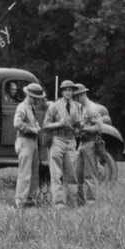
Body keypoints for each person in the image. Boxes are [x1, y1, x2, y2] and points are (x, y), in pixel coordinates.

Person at [43, 79, 80, 207]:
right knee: (56, 174)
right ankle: (58, 204)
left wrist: (77, 126)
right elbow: (46, 125)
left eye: (70, 90)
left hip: (71, 141)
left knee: (72, 174)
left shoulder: (77, 106)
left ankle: (72, 203)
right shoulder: (54, 106)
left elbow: (79, 126)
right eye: (66, 90)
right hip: (57, 140)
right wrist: (59, 123)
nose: (68, 93)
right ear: (62, 92)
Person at [13, 82, 47, 208]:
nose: (38, 101)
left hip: (32, 142)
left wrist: (36, 126)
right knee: (25, 172)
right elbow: (17, 123)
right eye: (37, 98)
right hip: (25, 141)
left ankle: (31, 199)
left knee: (34, 172)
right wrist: (32, 129)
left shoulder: (30, 108)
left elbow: (31, 122)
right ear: (31, 96)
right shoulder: (22, 107)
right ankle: (20, 201)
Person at [72, 84, 104, 206]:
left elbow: (99, 127)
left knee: (90, 176)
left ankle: (91, 203)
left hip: (91, 143)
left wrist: (84, 129)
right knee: (77, 174)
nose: (74, 99)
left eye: (76, 97)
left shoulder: (91, 108)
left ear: (81, 95)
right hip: (82, 143)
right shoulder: (82, 108)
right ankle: (80, 202)